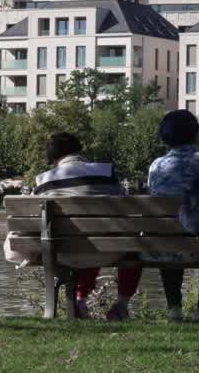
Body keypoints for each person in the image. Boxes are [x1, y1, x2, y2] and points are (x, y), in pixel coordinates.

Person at [33, 132, 143, 320]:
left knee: (81, 238)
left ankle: (80, 303)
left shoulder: (43, 180)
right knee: (121, 242)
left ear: (53, 158)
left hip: (59, 253)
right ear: (79, 150)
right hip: (106, 250)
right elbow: (124, 210)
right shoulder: (106, 172)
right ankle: (121, 305)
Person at [147, 110, 199, 323]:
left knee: (170, 236)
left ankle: (174, 308)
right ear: (197, 133)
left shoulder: (156, 165)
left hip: (166, 247)